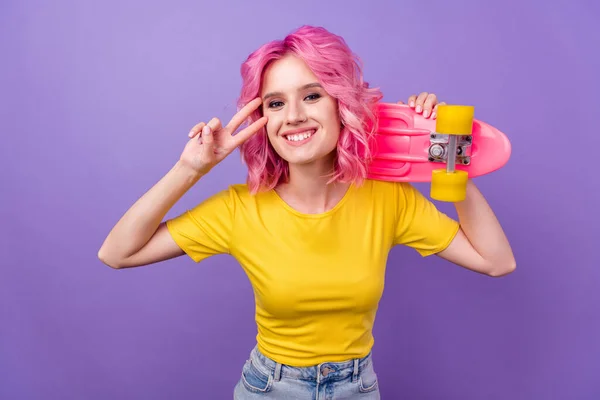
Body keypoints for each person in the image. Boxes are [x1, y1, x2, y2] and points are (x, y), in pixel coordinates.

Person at [98, 25, 515, 399]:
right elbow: (117, 253)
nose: (294, 116)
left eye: (312, 95)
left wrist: (443, 151)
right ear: (262, 119)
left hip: (358, 389)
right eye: (275, 103)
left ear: (341, 104)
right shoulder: (238, 209)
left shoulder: (390, 199)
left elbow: (496, 261)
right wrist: (191, 168)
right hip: (269, 389)